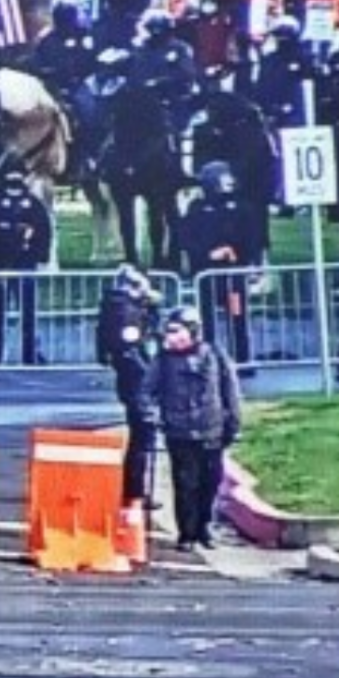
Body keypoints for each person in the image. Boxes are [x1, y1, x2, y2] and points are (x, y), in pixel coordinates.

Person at [139, 305, 242, 553]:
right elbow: (145, 392)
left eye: (176, 331)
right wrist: (150, 415)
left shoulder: (215, 355)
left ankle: (204, 527)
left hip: (211, 429)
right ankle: (187, 532)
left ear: (193, 331)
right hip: (179, 431)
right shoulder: (162, 361)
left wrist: (234, 423)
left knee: (211, 481)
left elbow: (231, 391)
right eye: (168, 332)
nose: (170, 337)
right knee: (185, 483)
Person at [178, 162, 262, 365]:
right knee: (207, 320)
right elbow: (186, 238)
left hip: (233, 276)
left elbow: (252, 238)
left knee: (237, 316)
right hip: (206, 275)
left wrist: (245, 259)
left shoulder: (242, 208)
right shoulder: (197, 208)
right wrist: (208, 254)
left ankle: (242, 359)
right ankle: (209, 360)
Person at [0, 168, 53, 366]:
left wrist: (39, 257)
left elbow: (44, 233)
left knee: (28, 311)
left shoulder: (33, 204)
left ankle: (30, 353)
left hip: (24, 262)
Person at [99, 265, 162, 512]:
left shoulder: (122, 308)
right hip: (136, 381)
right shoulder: (124, 311)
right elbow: (130, 351)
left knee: (143, 436)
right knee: (142, 435)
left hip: (134, 379)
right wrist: (149, 378)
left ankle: (134, 489)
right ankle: (134, 490)